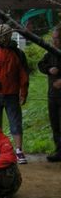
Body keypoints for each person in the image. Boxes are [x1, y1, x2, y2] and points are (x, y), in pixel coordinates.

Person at [0, 24, 30, 164]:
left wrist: (23, 93)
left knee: (15, 122)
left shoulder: (17, 53)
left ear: (6, 36)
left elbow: (23, 75)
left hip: (11, 93)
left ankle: (18, 150)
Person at [38, 26, 61, 162]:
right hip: (52, 95)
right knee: (55, 125)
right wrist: (49, 69)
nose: (54, 42)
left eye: (56, 39)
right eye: (53, 39)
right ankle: (58, 150)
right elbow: (41, 64)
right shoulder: (51, 52)